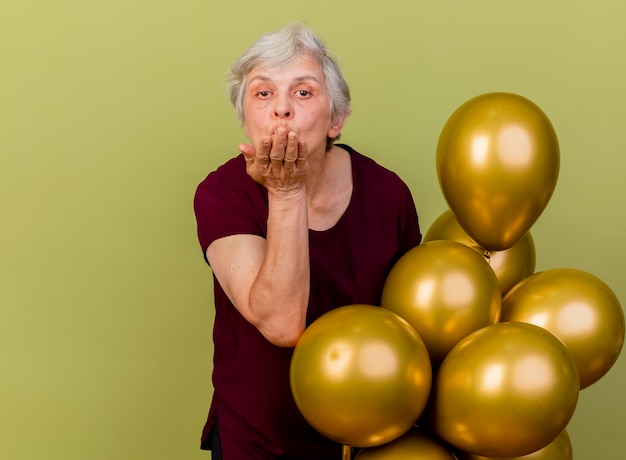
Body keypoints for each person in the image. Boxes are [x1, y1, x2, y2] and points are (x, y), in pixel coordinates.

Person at [193, 23, 422, 460]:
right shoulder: (221, 193)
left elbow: (413, 326)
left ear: (337, 119)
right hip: (257, 442)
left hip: (372, 436)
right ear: (245, 119)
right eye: (263, 94)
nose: (281, 109)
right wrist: (286, 191)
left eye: (303, 92)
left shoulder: (389, 193)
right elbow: (281, 324)